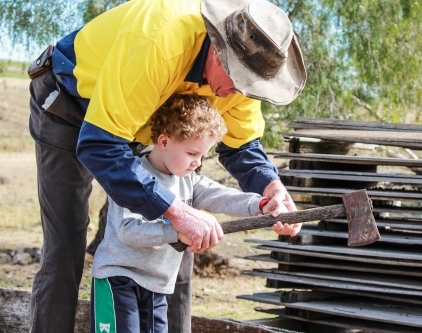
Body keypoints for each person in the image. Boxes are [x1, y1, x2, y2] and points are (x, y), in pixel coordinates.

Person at [27, 0, 306, 332]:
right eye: (237, 81)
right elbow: (100, 145)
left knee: (186, 239)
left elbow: (242, 145)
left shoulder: (244, 79)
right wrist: (175, 210)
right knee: (66, 242)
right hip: (70, 105)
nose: (237, 93)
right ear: (218, 51)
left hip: (146, 119)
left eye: (249, 87)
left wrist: (271, 187)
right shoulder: (158, 43)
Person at [91, 94, 291, 333]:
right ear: (164, 142)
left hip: (157, 284)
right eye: (192, 154)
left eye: (202, 155)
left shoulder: (187, 180)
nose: (197, 162)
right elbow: (128, 232)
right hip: (119, 279)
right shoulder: (132, 176)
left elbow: (222, 196)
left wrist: (261, 204)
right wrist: (176, 231)